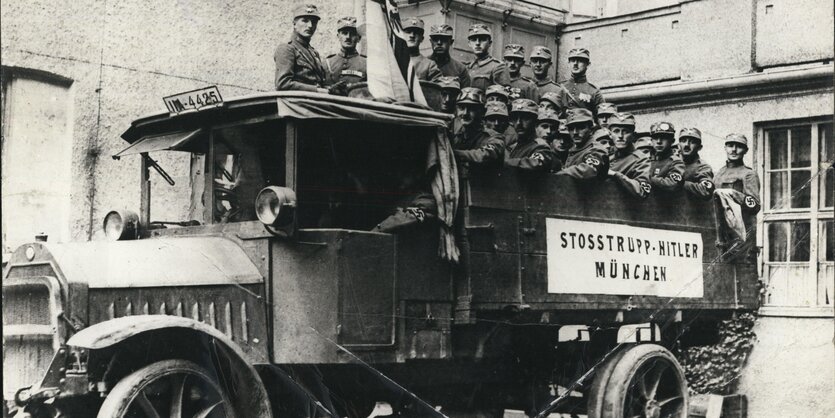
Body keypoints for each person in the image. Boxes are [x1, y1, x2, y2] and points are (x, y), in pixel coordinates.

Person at [713, 133, 760, 262]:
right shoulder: (718, 174)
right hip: (720, 235)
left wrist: (734, 195)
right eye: (730, 145)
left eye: (739, 146)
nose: (733, 150)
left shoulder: (748, 174)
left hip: (740, 238)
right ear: (725, 148)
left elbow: (755, 205)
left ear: (745, 150)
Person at [274, 4, 329, 92]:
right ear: (295, 24)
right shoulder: (287, 49)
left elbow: (318, 82)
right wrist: (316, 90)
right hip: (296, 103)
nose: (310, 25)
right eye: (305, 21)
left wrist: (330, 89)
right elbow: (283, 83)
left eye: (314, 22)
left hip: (314, 102)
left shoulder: (314, 53)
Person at [451, 87, 505, 167]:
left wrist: (451, 153)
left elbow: (484, 155)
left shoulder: (495, 138)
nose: (465, 113)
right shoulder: (454, 135)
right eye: (461, 108)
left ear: (482, 112)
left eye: (471, 109)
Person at [608, 113, 652, 198]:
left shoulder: (641, 160)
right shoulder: (605, 155)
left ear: (633, 135)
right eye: (616, 131)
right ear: (610, 135)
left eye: (626, 131)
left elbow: (643, 190)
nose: (620, 136)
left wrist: (615, 175)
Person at [558, 108, 609, 179]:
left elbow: (588, 171)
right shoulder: (574, 148)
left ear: (591, 129)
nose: (575, 132)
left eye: (580, 128)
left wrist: (558, 175)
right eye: (571, 128)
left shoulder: (596, 150)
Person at [506, 103, 558, 172]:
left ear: (535, 123)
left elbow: (535, 164)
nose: (519, 123)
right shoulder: (511, 146)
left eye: (525, 118)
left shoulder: (540, 147)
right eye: (515, 118)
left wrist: (505, 163)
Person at [556, 48, 604, 116]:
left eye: (580, 61)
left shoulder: (594, 91)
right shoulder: (559, 87)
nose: (575, 64)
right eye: (572, 60)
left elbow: (601, 117)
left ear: (588, 64)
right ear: (568, 63)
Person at [466, 24, 508, 92]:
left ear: (490, 43)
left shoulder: (498, 67)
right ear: (469, 43)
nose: (477, 43)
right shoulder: (465, 67)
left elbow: (501, 96)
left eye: (482, 39)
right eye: (473, 40)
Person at [325, 16, 367, 86]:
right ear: (338, 36)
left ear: (358, 38)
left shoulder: (366, 64)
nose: (348, 37)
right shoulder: (328, 63)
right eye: (344, 33)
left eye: (353, 34)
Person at [678, 127, 715, 199]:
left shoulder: (703, 167)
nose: (686, 145)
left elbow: (706, 191)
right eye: (683, 141)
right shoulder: (671, 163)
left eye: (692, 142)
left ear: (699, 147)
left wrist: (680, 183)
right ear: (679, 144)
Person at [402, 17, 442, 82]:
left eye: (416, 33)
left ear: (422, 38)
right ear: (401, 36)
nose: (412, 35)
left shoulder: (429, 65)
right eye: (408, 32)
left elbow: (436, 90)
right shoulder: (394, 60)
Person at [648, 121, 685, 192]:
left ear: (672, 141)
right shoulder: (647, 161)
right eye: (655, 138)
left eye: (663, 137)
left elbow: (673, 184)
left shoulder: (676, 162)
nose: (659, 141)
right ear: (651, 141)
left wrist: (648, 179)